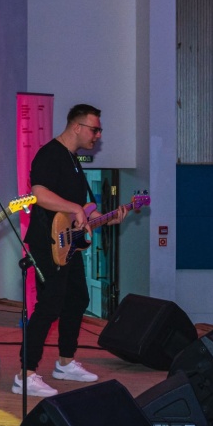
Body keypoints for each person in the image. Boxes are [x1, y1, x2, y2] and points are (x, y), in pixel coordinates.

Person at [15, 104, 127, 397]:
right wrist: (75, 208)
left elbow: (83, 211)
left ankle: (65, 362)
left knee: (77, 298)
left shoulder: (73, 160)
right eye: (94, 129)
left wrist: (106, 217)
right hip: (47, 241)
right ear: (77, 127)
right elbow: (39, 194)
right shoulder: (50, 154)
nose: (98, 135)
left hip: (69, 244)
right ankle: (25, 373)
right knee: (49, 304)